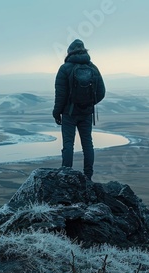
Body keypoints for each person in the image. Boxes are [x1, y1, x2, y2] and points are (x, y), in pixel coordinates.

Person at [52, 39, 105, 181]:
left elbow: (60, 95)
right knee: (87, 143)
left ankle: (66, 174)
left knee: (68, 144)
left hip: (69, 114)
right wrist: (88, 104)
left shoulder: (65, 68)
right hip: (86, 113)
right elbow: (101, 92)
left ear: (69, 52)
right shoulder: (93, 67)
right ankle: (88, 176)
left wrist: (57, 113)